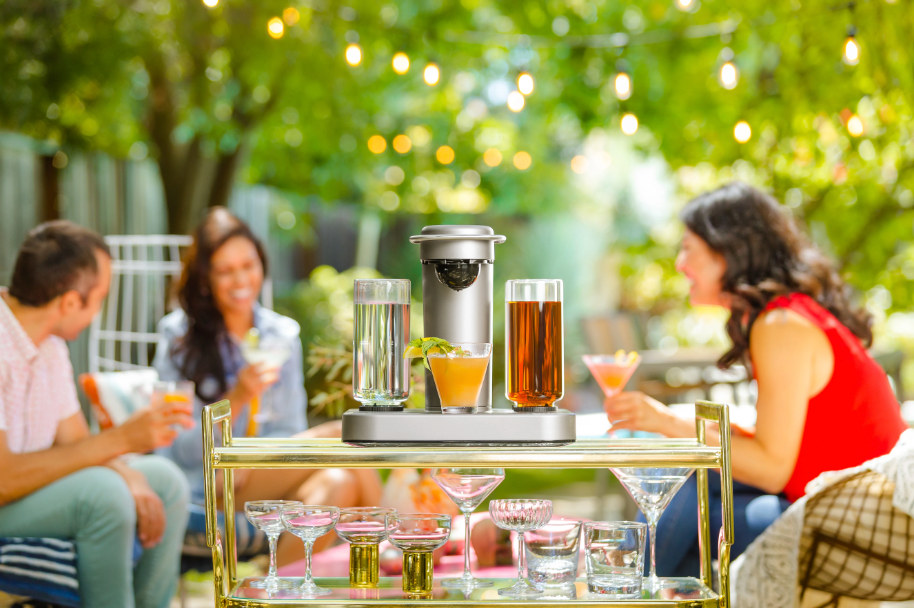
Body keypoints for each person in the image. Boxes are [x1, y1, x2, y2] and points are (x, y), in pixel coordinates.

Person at [605, 182, 908, 576]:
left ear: (728, 251)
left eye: (688, 248)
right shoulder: (790, 315)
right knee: (686, 487)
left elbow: (771, 469)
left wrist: (668, 424)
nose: (680, 264)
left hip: (864, 527)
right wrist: (680, 427)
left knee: (682, 489)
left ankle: (619, 581)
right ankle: (626, 582)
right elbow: (782, 446)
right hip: (851, 506)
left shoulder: (781, 326)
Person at [154, 207, 381, 566]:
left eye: (248, 265)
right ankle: (396, 547)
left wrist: (257, 458)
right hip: (206, 482)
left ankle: (270, 596)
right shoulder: (178, 337)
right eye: (225, 271)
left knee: (338, 482)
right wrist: (239, 397)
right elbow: (178, 446)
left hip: (264, 476)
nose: (241, 279)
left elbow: (291, 429)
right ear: (205, 279)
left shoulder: (282, 336)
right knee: (343, 435)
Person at [0, 221, 194, 608]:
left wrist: (129, 473)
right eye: (100, 298)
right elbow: (4, 478)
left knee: (165, 483)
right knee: (104, 496)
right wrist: (123, 441)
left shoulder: (50, 347)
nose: (98, 312)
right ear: (71, 302)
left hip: (30, 492)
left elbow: (76, 444)